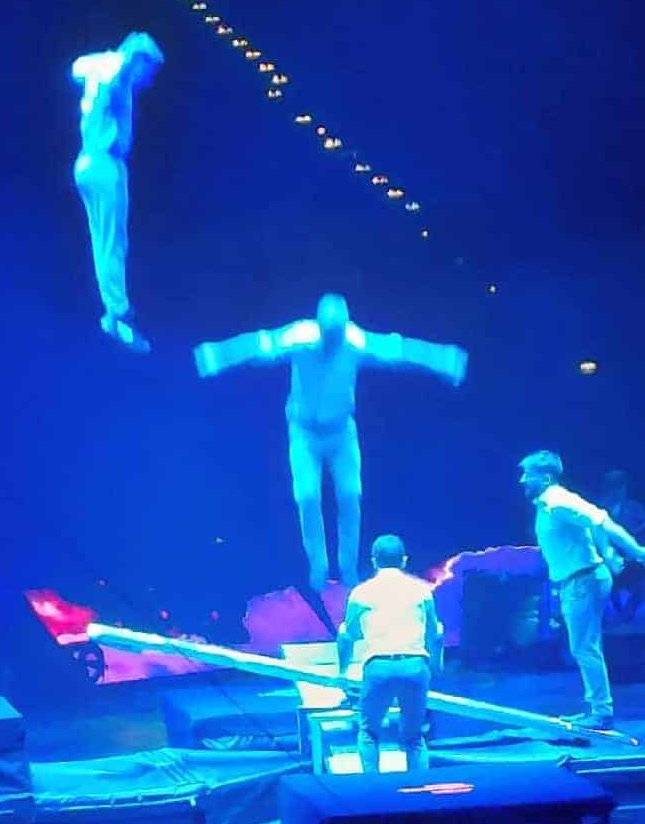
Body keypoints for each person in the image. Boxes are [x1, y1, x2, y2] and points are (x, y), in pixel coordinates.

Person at [194, 293, 467, 590]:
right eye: (329, 334)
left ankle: (347, 567)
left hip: (341, 433)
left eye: (338, 334)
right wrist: (218, 355)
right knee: (307, 497)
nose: (333, 340)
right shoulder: (299, 337)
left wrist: (443, 359)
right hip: (304, 433)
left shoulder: (355, 341)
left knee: (350, 496)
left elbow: (398, 351)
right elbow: (262, 344)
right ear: (320, 326)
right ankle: (318, 565)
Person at [519, 450, 645, 729]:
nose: (523, 480)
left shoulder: (557, 501)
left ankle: (601, 711)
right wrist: (607, 553)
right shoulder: (549, 502)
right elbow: (592, 523)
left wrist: (636, 551)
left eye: (529, 474)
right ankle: (598, 708)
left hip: (583, 580)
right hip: (579, 580)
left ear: (546, 477)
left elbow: (602, 521)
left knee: (584, 647)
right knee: (584, 647)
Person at [71, 31, 164, 353]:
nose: (149, 80)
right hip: (105, 163)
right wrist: (125, 61)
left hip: (86, 163)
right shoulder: (120, 71)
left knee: (105, 241)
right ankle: (117, 312)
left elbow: (76, 67)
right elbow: (120, 75)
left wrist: (108, 60)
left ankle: (113, 309)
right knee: (113, 243)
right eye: (148, 70)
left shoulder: (97, 65)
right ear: (138, 61)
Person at [336, 534, 442, 772]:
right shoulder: (422, 590)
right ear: (404, 560)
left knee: (369, 732)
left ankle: (373, 789)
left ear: (374, 561)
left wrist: (342, 672)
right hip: (415, 666)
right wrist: (436, 667)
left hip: (379, 667)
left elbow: (346, 634)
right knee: (414, 737)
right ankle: (419, 788)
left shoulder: (361, 593)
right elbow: (435, 634)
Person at [598, 470, 645, 621]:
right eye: (613, 486)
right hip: (605, 561)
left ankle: (627, 614)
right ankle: (610, 613)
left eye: (620, 486)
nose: (618, 490)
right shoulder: (597, 509)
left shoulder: (634, 508)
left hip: (632, 562)